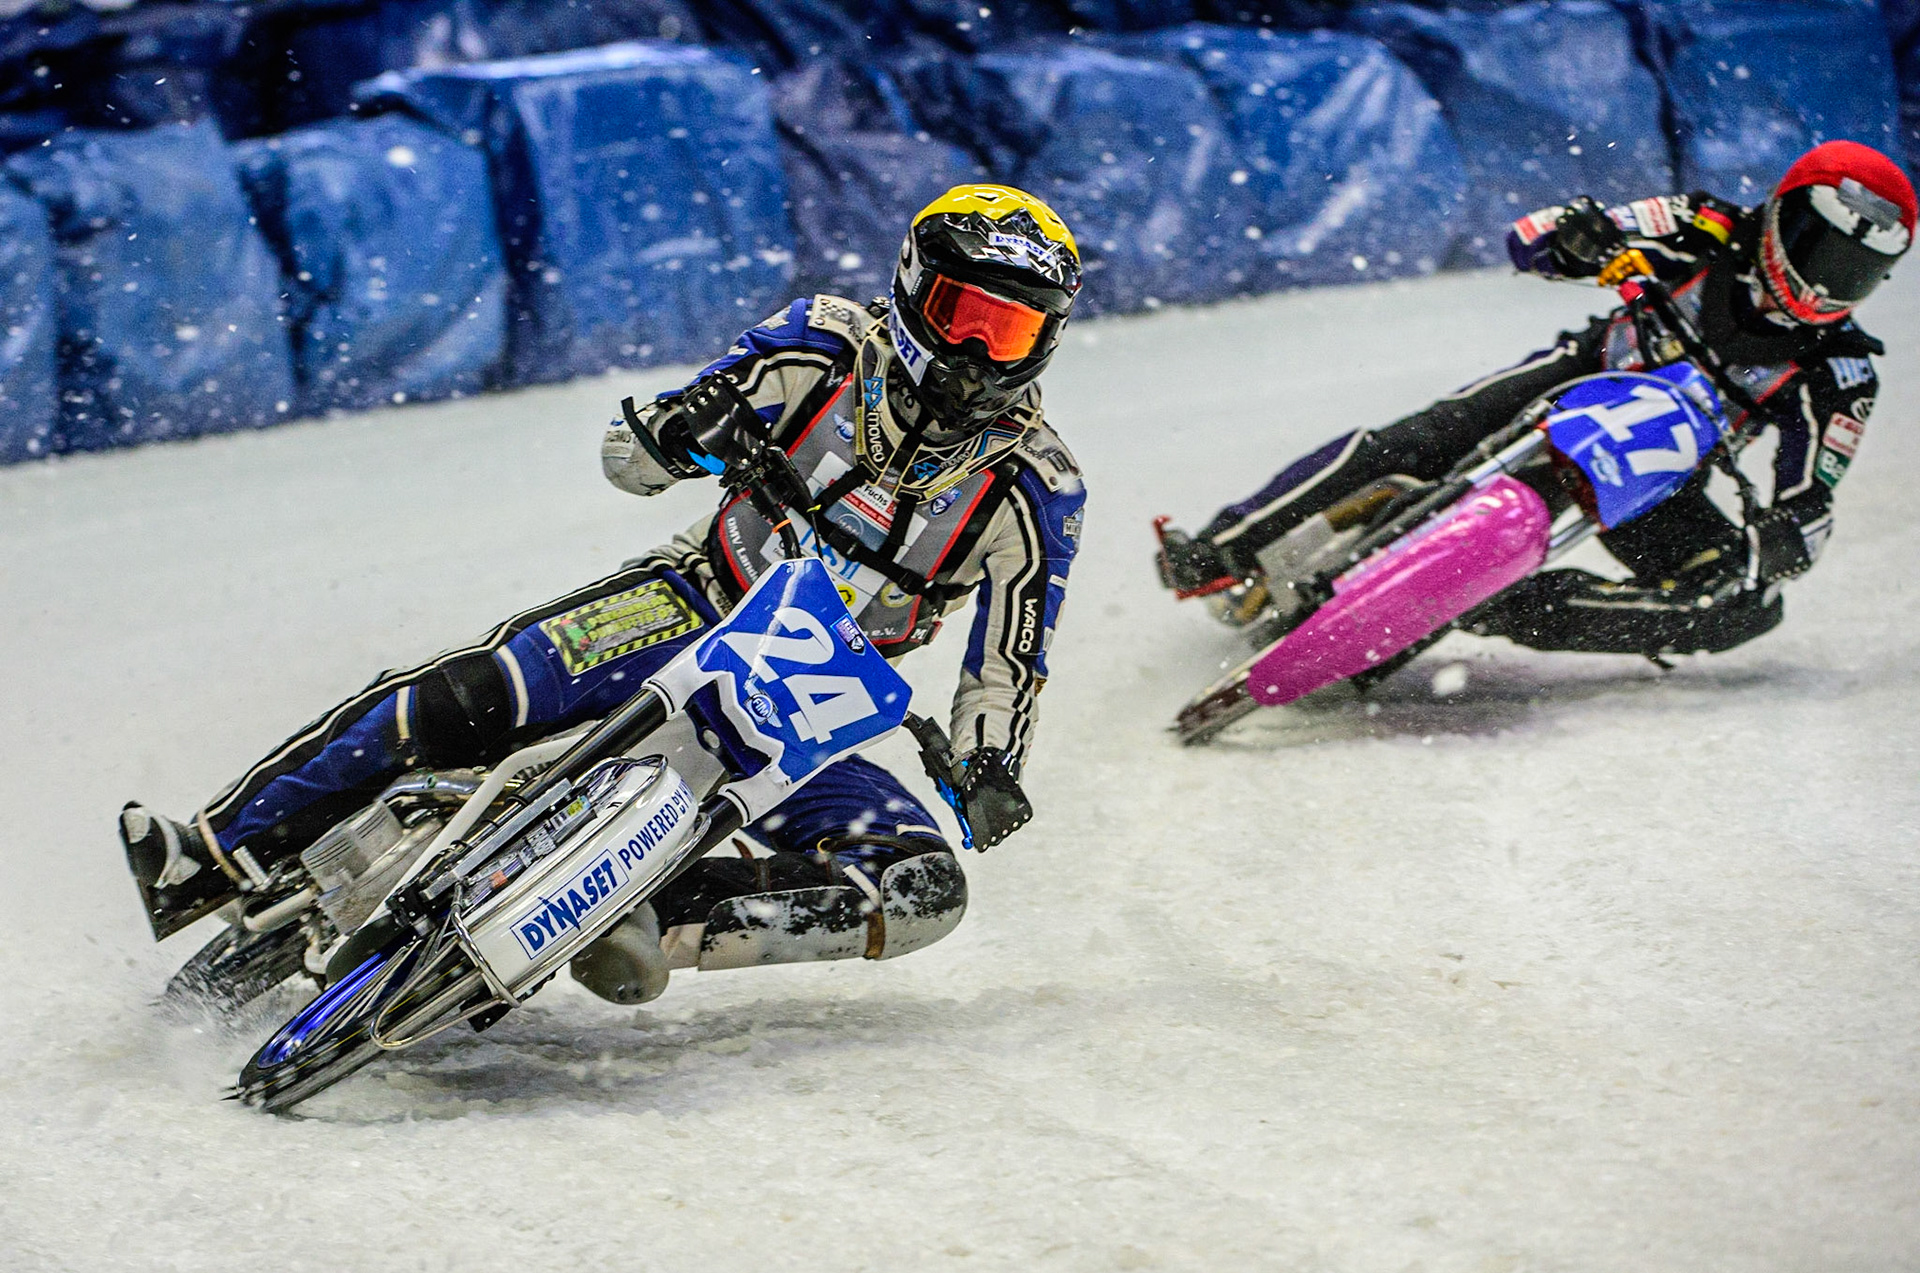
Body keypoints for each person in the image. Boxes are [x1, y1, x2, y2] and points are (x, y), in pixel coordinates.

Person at [120, 183, 1087, 1005]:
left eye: (1011, 332)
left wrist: (989, 764)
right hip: (690, 601)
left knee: (919, 885)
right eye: (965, 316)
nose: (977, 356)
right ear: (913, 291)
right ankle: (211, 853)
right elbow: (629, 456)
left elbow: (1009, 661)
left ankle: (645, 912)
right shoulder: (820, 347)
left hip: (807, 710)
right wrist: (683, 431)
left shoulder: (1037, 488)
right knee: (475, 691)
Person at [1156, 140, 1913, 659]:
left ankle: (1495, 604)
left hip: (1654, 476)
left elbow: (1813, 498)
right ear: (1782, 215)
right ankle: (1221, 549)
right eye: (1819, 249)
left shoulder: (1842, 372)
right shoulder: (1705, 225)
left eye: (1854, 271)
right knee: (1408, 443)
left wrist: (1784, 537)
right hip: (1576, 379)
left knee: (1741, 606)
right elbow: (1532, 238)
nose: (1823, 283)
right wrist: (1578, 237)